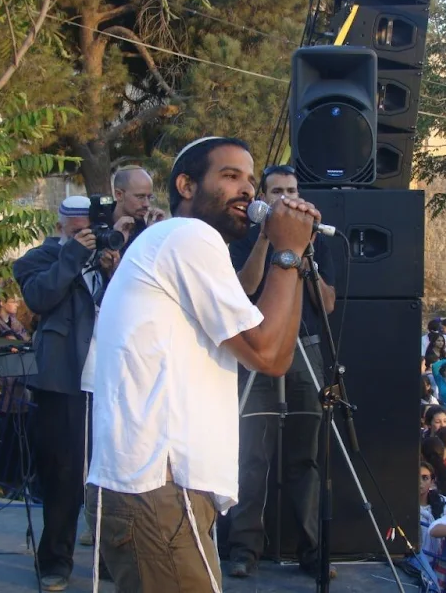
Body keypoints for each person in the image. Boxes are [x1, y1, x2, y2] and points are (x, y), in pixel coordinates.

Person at [84, 137, 321, 593]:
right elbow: (267, 354)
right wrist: (288, 251)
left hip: (161, 491)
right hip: (160, 490)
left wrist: (290, 252)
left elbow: (277, 350)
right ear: (186, 186)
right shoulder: (188, 237)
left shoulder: (175, 243)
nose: (247, 189)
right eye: (230, 176)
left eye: (250, 179)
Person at [226, 164, 336, 579]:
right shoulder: (242, 236)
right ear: (262, 198)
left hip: (304, 349)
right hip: (257, 350)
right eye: (277, 192)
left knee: (304, 457)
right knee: (251, 455)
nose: (287, 198)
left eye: (292, 190)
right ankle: (243, 550)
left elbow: (327, 303)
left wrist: (302, 253)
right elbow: (244, 288)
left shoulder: (313, 238)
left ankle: (312, 550)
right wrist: (267, 240)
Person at [13, 195, 121, 592]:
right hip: (63, 383)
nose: (88, 237)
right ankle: (55, 561)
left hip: (111, 381)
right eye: (79, 231)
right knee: (62, 476)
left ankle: (113, 559)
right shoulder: (38, 259)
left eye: (91, 231)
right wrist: (74, 255)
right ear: (62, 227)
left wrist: (113, 270)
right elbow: (39, 297)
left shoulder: (110, 255)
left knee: (113, 476)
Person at [111, 165, 166, 252]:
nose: (147, 204)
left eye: (150, 197)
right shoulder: (95, 226)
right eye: (140, 197)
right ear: (119, 195)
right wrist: (115, 240)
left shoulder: (145, 228)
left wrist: (153, 232)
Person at [419, 461, 446, 557]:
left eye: (425, 478)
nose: (420, 481)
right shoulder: (402, 505)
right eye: (416, 477)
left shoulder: (445, 503)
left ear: (432, 482)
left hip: (437, 559)